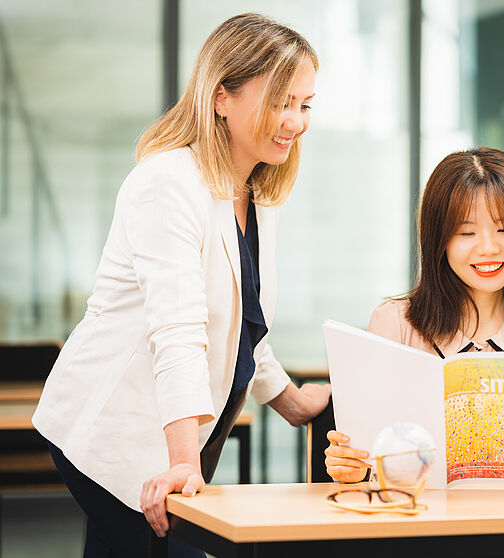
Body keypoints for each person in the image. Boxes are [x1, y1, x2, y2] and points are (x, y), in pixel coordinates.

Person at [32, 13, 330, 557]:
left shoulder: (257, 190)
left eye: (305, 104)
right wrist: (184, 465)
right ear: (222, 97)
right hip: (112, 430)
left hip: (173, 438)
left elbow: (243, 319)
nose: (295, 121)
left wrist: (289, 401)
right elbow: (178, 328)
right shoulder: (168, 182)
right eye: (281, 102)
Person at [324, 147, 504, 490]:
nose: (488, 248)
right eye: (467, 233)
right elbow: (367, 452)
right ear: (438, 239)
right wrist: (351, 466)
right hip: (420, 527)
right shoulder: (395, 323)